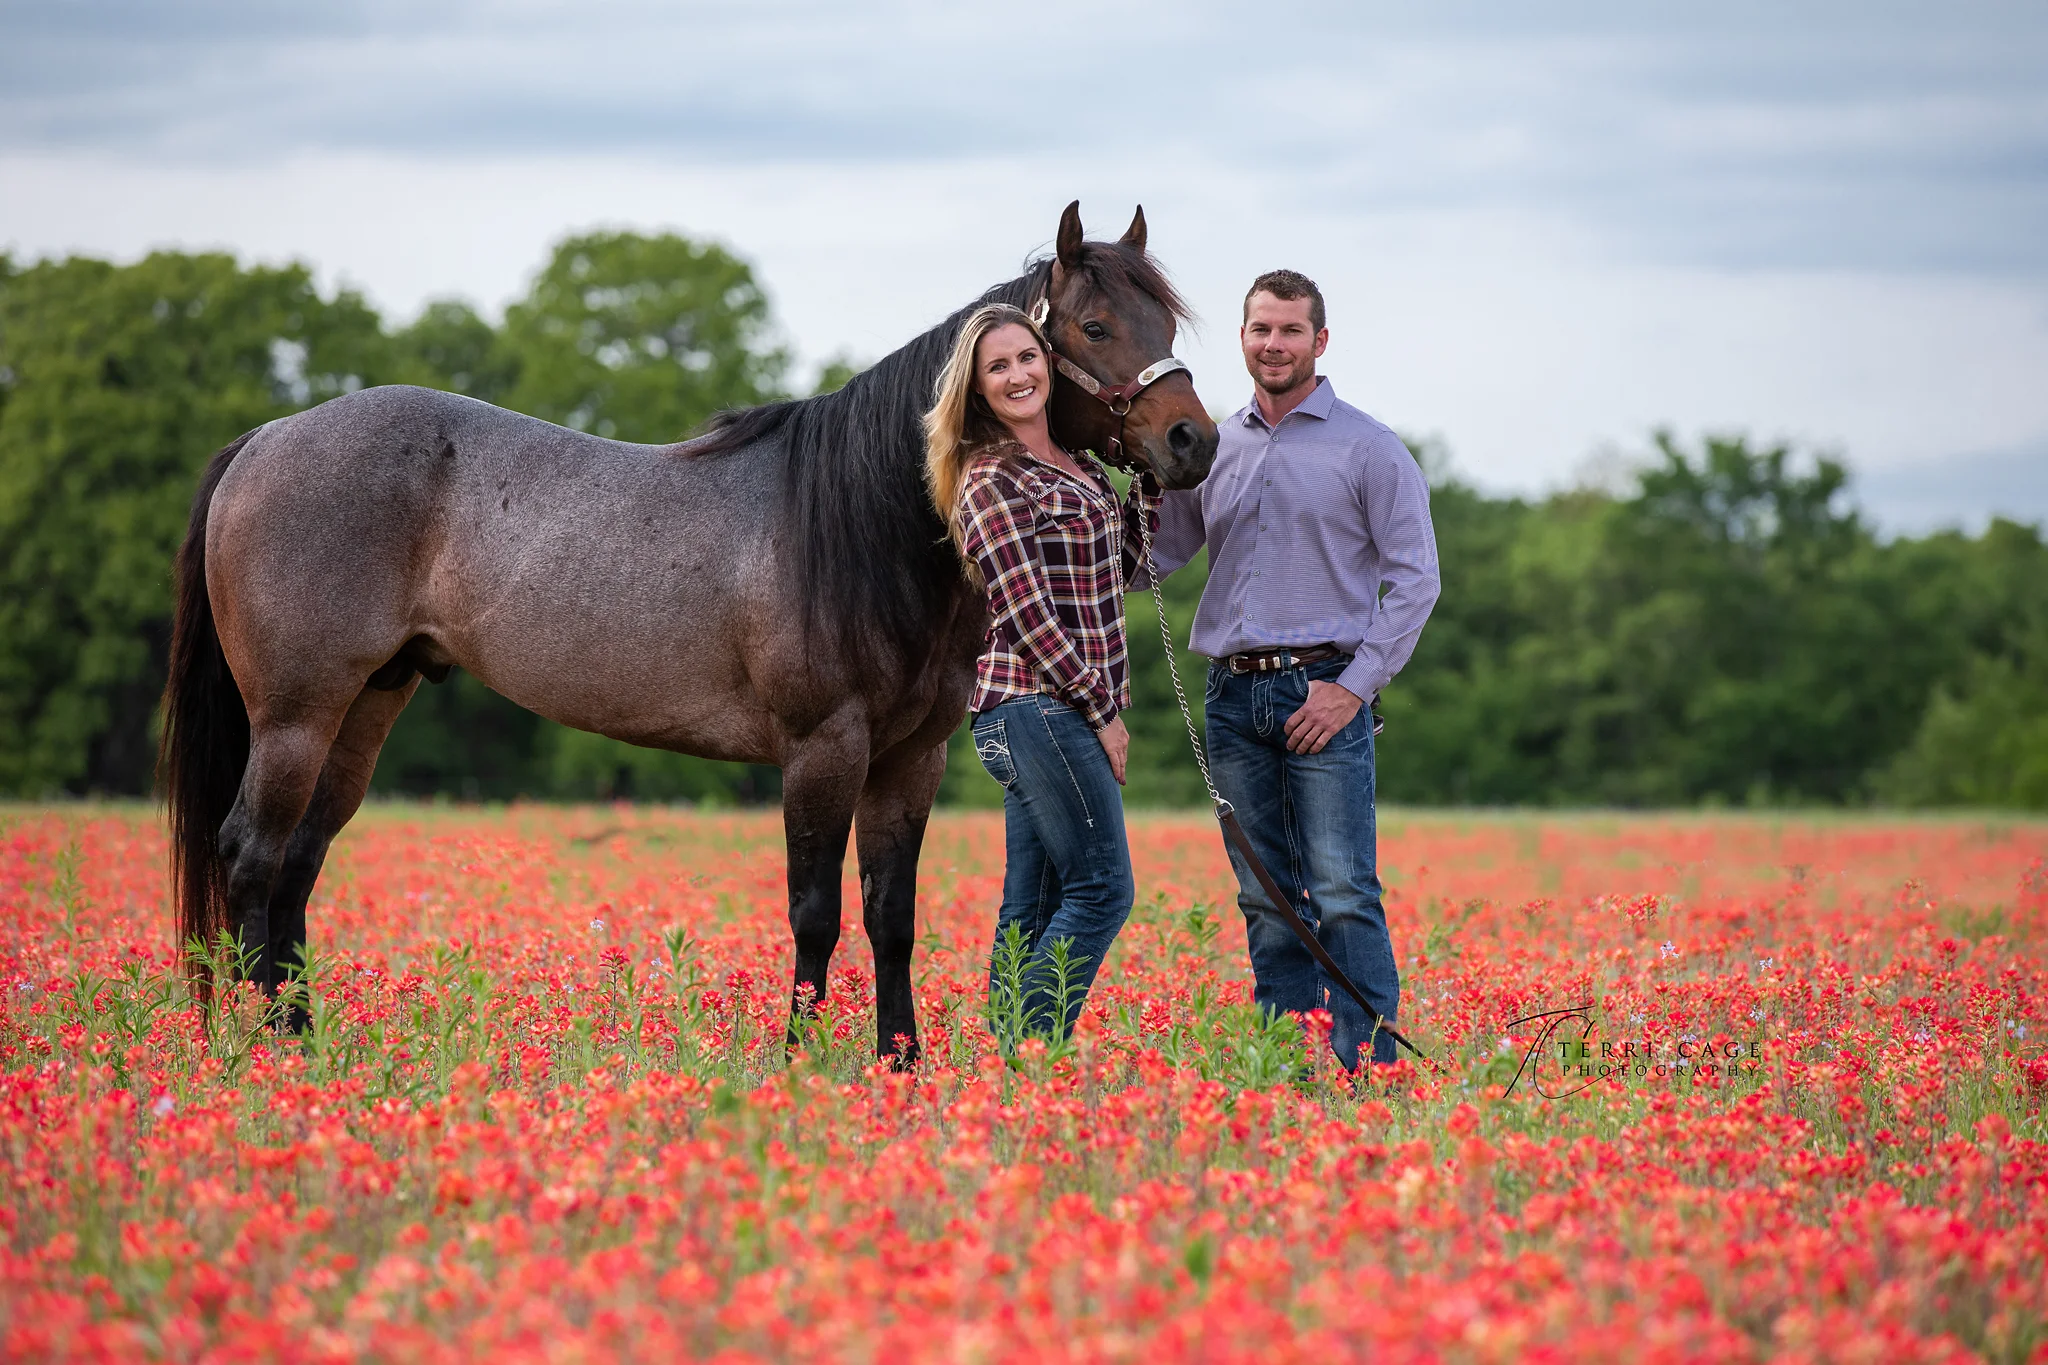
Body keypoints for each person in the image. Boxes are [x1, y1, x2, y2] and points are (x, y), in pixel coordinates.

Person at [1145, 270, 1440, 1068]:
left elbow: (1417, 579)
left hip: (1324, 689)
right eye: (1260, 329)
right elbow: (1159, 554)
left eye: (1290, 330)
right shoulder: (1213, 443)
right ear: (1242, 338)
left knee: (1342, 890)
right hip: (1232, 695)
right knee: (1265, 896)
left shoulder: (1368, 447)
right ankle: (1292, 1065)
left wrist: (1353, 689)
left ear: (1320, 340)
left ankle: (1370, 1070)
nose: (1273, 344)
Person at [924, 302, 1157, 1040]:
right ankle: (1033, 1049)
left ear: (1049, 365)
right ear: (979, 387)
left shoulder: (1080, 466)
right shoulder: (989, 478)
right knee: (1101, 890)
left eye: (1027, 358)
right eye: (999, 367)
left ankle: (1004, 1067)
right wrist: (1105, 713)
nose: (1018, 374)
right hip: (1035, 706)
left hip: (1045, 712)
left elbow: (1115, 576)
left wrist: (1143, 489)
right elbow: (1025, 613)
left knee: (1031, 901)